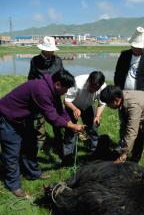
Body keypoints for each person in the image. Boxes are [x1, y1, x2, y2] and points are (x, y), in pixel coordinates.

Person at [0, 69, 84, 197]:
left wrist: (71, 124)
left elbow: (60, 111)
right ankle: (14, 185)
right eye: (65, 89)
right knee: (12, 152)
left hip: (23, 118)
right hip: (8, 117)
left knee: (30, 144)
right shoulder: (41, 90)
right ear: (58, 84)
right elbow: (52, 118)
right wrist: (72, 126)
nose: (66, 92)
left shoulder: (52, 89)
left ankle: (32, 173)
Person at [100, 85, 144, 181]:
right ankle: (134, 164)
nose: (108, 107)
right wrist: (123, 147)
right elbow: (126, 127)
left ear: (116, 100)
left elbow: (132, 131)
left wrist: (123, 155)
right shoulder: (122, 98)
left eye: (108, 104)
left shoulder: (132, 105)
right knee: (138, 139)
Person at [114, 26, 144, 163]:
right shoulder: (124, 55)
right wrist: (118, 91)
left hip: (140, 99)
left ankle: (136, 156)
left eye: (139, 48)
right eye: (134, 47)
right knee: (124, 124)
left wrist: (141, 93)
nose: (136, 50)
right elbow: (117, 74)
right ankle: (123, 149)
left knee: (138, 127)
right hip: (123, 97)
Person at [28, 36, 64, 152]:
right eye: (49, 49)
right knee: (40, 120)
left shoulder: (58, 60)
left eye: (52, 49)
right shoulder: (35, 60)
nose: (51, 52)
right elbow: (31, 78)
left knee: (57, 117)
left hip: (55, 95)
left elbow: (62, 76)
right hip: (39, 96)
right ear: (43, 49)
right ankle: (40, 144)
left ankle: (58, 142)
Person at [63, 71, 106, 164]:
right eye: (92, 87)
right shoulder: (76, 83)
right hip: (72, 105)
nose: (93, 90)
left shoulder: (103, 87)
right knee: (70, 131)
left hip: (88, 106)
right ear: (88, 81)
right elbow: (66, 100)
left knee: (93, 129)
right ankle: (68, 157)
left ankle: (94, 153)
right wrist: (74, 109)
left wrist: (98, 116)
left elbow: (102, 103)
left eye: (96, 88)